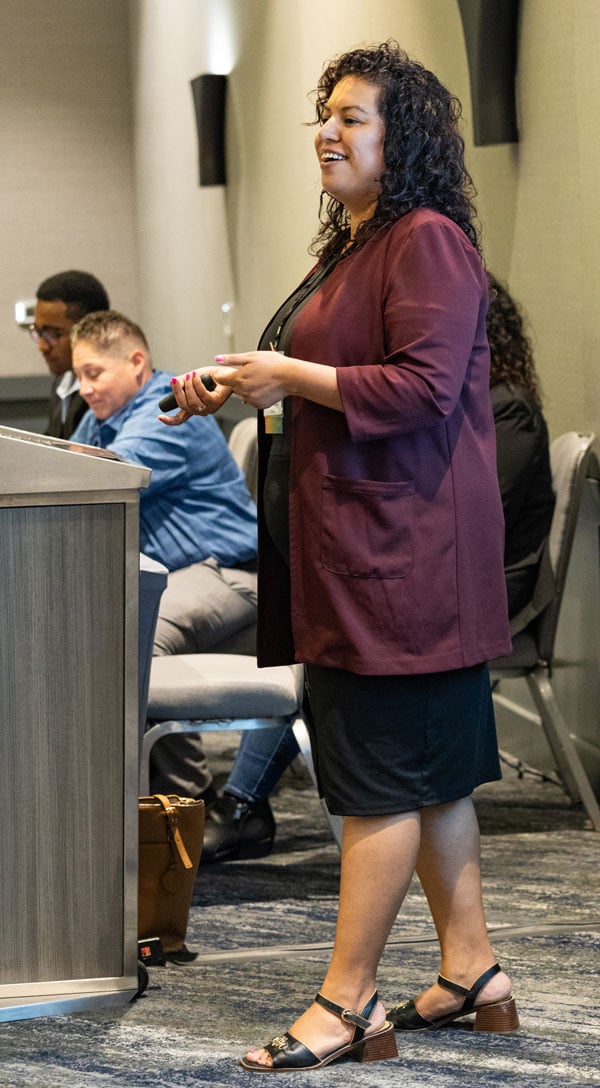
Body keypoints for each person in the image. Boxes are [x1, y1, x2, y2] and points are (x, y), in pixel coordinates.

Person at [162, 41, 518, 1073]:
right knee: (432, 777)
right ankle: (473, 970)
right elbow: (338, 374)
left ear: (399, 136)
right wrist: (249, 384)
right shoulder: (356, 244)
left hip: (402, 565)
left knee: (374, 786)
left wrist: (289, 373)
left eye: (352, 116)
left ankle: (347, 1001)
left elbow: (418, 388)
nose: (328, 128)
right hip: (374, 553)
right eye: (325, 113)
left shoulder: (427, 241)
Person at [201, 271, 557, 865]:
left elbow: (456, 507)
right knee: (331, 653)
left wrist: (295, 378)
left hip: (481, 579)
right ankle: (470, 961)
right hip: (423, 566)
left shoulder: (504, 409)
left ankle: (243, 802)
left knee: (393, 787)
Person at [69, 310, 258, 803]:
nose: (85, 388)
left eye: (94, 373)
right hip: (181, 576)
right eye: (79, 376)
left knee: (131, 630)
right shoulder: (100, 418)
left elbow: (102, 477)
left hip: (232, 574)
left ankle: (184, 803)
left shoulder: (170, 408)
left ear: (136, 362)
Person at [30, 270, 110, 438]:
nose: (42, 346)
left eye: (52, 334)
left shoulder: (111, 392)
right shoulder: (63, 380)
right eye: (38, 332)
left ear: (88, 330)